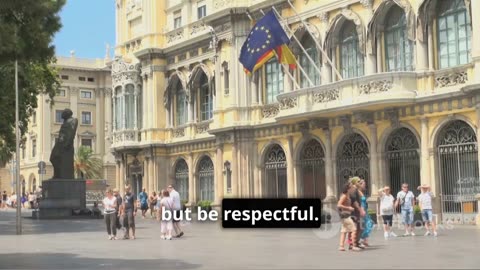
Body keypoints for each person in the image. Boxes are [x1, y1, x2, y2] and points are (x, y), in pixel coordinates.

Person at [337, 183, 360, 251]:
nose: (352, 188)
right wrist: (348, 208)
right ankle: (353, 245)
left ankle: (341, 246)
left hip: (346, 215)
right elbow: (339, 205)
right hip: (345, 215)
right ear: (348, 189)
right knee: (354, 229)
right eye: (351, 187)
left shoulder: (348, 195)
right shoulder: (344, 196)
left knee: (344, 231)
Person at [348, 177, 366, 249]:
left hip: (356, 212)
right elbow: (354, 201)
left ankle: (356, 242)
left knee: (359, 227)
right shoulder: (353, 190)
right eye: (358, 181)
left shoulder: (356, 189)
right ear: (355, 182)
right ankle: (352, 244)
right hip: (354, 212)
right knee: (355, 228)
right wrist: (360, 210)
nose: (360, 182)